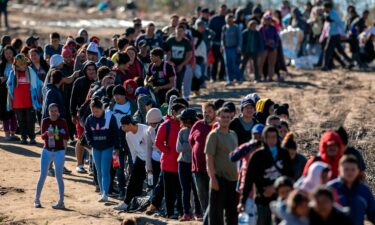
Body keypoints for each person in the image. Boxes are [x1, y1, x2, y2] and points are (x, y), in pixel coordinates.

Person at [239, 126, 293, 225]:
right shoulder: (257, 155)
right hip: (262, 199)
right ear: (264, 138)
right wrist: (242, 201)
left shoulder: (284, 153)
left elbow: (290, 175)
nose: (272, 140)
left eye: (274, 137)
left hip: (281, 199)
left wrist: (274, 188)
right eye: (269, 137)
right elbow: (249, 179)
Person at [205, 107, 238, 225]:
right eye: (223, 117)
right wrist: (213, 179)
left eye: (228, 117)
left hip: (233, 180)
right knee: (216, 216)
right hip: (219, 180)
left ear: (231, 118)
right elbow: (209, 158)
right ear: (218, 118)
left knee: (232, 215)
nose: (225, 120)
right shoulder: (213, 135)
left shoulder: (233, 134)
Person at [34, 103, 69, 209]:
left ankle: (61, 202)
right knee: (43, 175)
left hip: (59, 151)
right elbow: (42, 137)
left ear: (58, 111)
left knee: (59, 177)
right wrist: (47, 134)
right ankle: (36, 200)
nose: (53, 113)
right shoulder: (45, 121)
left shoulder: (62, 122)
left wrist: (58, 134)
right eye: (51, 111)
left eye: (55, 111)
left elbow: (67, 136)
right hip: (47, 150)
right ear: (48, 112)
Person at [84, 97, 119, 202]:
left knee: (105, 171)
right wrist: (90, 143)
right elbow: (87, 132)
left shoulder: (110, 116)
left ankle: (105, 193)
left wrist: (116, 147)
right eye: (93, 111)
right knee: (98, 171)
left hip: (107, 147)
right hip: (96, 148)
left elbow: (115, 132)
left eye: (97, 111)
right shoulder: (90, 119)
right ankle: (102, 191)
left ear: (102, 109)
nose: (95, 113)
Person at [155, 103, 186, 219]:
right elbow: (158, 142)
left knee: (181, 189)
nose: (182, 114)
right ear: (173, 112)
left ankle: (182, 212)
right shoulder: (165, 125)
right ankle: (169, 212)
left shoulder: (185, 125)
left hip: (182, 162)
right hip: (168, 163)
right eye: (180, 111)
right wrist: (167, 151)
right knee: (169, 191)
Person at [114, 115, 149, 211]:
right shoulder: (128, 135)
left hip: (151, 159)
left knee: (149, 182)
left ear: (130, 124)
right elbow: (132, 150)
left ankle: (148, 204)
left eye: (124, 126)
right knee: (133, 180)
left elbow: (151, 147)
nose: (122, 128)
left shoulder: (145, 129)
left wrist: (148, 164)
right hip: (139, 158)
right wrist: (134, 164)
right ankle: (127, 203)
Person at [328, 155, 375, 225]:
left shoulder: (365, 190)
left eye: (353, 169)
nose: (349, 172)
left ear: (358, 171)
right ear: (339, 169)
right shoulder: (330, 188)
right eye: (346, 169)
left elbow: (373, 213)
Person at [7, 53, 42, 145]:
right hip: (18, 103)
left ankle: (32, 138)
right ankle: (23, 137)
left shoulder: (31, 72)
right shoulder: (12, 74)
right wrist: (10, 103)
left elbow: (38, 84)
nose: (24, 66)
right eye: (21, 64)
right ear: (17, 65)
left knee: (30, 121)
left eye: (25, 64)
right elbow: (10, 90)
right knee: (21, 121)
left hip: (30, 102)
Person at [189, 102, 216, 217]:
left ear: (215, 112)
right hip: (198, 167)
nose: (207, 114)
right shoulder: (197, 125)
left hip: (214, 169)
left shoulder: (218, 126)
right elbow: (192, 141)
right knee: (201, 194)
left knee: (213, 195)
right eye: (205, 112)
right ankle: (206, 217)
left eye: (209, 112)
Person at [70, 61, 97, 173]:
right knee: (81, 140)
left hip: (95, 115)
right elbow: (73, 99)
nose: (91, 71)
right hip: (81, 115)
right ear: (85, 70)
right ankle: (79, 164)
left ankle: (92, 166)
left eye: (93, 69)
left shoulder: (97, 82)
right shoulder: (79, 81)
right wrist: (72, 114)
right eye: (88, 69)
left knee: (93, 141)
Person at [176, 108, 202, 221]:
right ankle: (186, 212)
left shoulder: (198, 130)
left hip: (195, 163)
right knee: (185, 189)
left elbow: (198, 147)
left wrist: (188, 144)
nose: (182, 122)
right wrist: (191, 144)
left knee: (196, 190)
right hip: (182, 163)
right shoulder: (181, 131)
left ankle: (198, 212)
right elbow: (178, 148)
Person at [144, 108, 164, 214]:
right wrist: (148, 167)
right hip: (155, 159)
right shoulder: (148, 131)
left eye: (154, 123)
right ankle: (157, 205)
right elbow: (148, 149)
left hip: (166, 159)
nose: (151, 125)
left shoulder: (165, 125)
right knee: (156, 184)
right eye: (150, 123)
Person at [165, 24, 192, 94]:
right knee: (170, 81)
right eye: (178, 31)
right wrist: (169, 61)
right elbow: (164, 52)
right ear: (175, 31)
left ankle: (179, 97)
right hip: (171, 63)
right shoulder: (170, 40)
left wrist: (182, 65)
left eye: (181, 31)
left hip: (181, 64)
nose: (179, 33)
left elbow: (190, 54)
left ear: (184, 32)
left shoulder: (186, 41)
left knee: (179, 82)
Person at [0, 45, 19, 141]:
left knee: (14, 113)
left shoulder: (17, 64)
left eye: (10, 53)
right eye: (6, 53)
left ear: (13, 54)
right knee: (5, 113)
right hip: (3, 92)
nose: (8, 55)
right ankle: (7, 134)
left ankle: (13, 133)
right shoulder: (1, 65)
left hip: (15, 91)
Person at [221, 13, 242, 85]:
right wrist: (222, 46)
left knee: (235, 64)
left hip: (234, 48)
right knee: (227, 65)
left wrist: (239, 47)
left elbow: (240, 38)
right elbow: (222, 38)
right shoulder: (224, 28)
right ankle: (229, 80)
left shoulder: (236, 27)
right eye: (228, 20)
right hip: (226, 49)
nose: (229, 22)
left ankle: (238, 79)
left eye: (230, 20)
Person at [208, 4, 227, 82]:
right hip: (214, 43)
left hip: (224, 44)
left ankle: (221, 76)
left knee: (223, 61)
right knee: (214, 61)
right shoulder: (213, 19)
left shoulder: (227, 19)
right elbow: (209, 30)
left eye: (224, 9)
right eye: (222, 9)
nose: (223, 11)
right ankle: (213, 77)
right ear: (219, 9)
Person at [258, 14, 280, 81]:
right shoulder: (261, 28)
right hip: (264, 48)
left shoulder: (273, 28)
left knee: (272, 63)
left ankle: (270, 77)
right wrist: (266, 42)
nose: (268, 21)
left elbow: (276, 37)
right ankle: (259, 77)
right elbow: (259, 38)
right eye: (266, 19)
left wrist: (275, 44)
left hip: (272, 47)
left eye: (269, 19)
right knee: (261, 63)